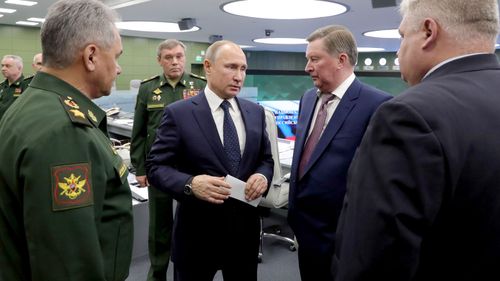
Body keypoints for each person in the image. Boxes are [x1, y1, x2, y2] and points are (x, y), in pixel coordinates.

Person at [333, 0, 500, 280]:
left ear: (427, 31)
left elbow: (374, 261)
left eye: (401, 37)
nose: (399, 52)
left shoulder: (408, 115)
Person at [0, 0, 133, 280]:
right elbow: (69, 265)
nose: (118, 68)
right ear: (91, 56)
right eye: (117, 56)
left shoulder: (34, 105)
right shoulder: (64, 131)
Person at [146, 40, 274, 281]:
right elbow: (156, 167)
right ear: (208, 66)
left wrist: (262, 175)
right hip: (197, 236)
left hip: (243, 236)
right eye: (231, 67)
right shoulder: (179, 113)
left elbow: (266, 159)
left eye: (243, 69)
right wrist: (190, 184)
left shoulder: (255, 113)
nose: (239, 76)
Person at [286, 25, 391, 281]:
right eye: (307, 59)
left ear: (341, 60)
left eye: (314, 59)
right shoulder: (308, 98)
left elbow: (377, 181)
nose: (307, 67)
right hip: (304, 228)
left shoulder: (378, 105)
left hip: (342, 236)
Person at [130, 39, 206, 281]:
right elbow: (139, 132)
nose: (174, 61)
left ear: (185, 58)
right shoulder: (147, 88)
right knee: (159, 228)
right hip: (159, 169)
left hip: (191, 168)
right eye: (168, 57)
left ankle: (189, 272)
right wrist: (140, 168)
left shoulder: (201, 85)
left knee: (192, 223)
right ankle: (158, 274)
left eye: (179, 56)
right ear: (159, 60)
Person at [0, 54, 26, 120]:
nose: (3, 69)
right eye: (2, 66)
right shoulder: (1, 86)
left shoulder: (27, 86)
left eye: (8, 66)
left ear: (19, 68)